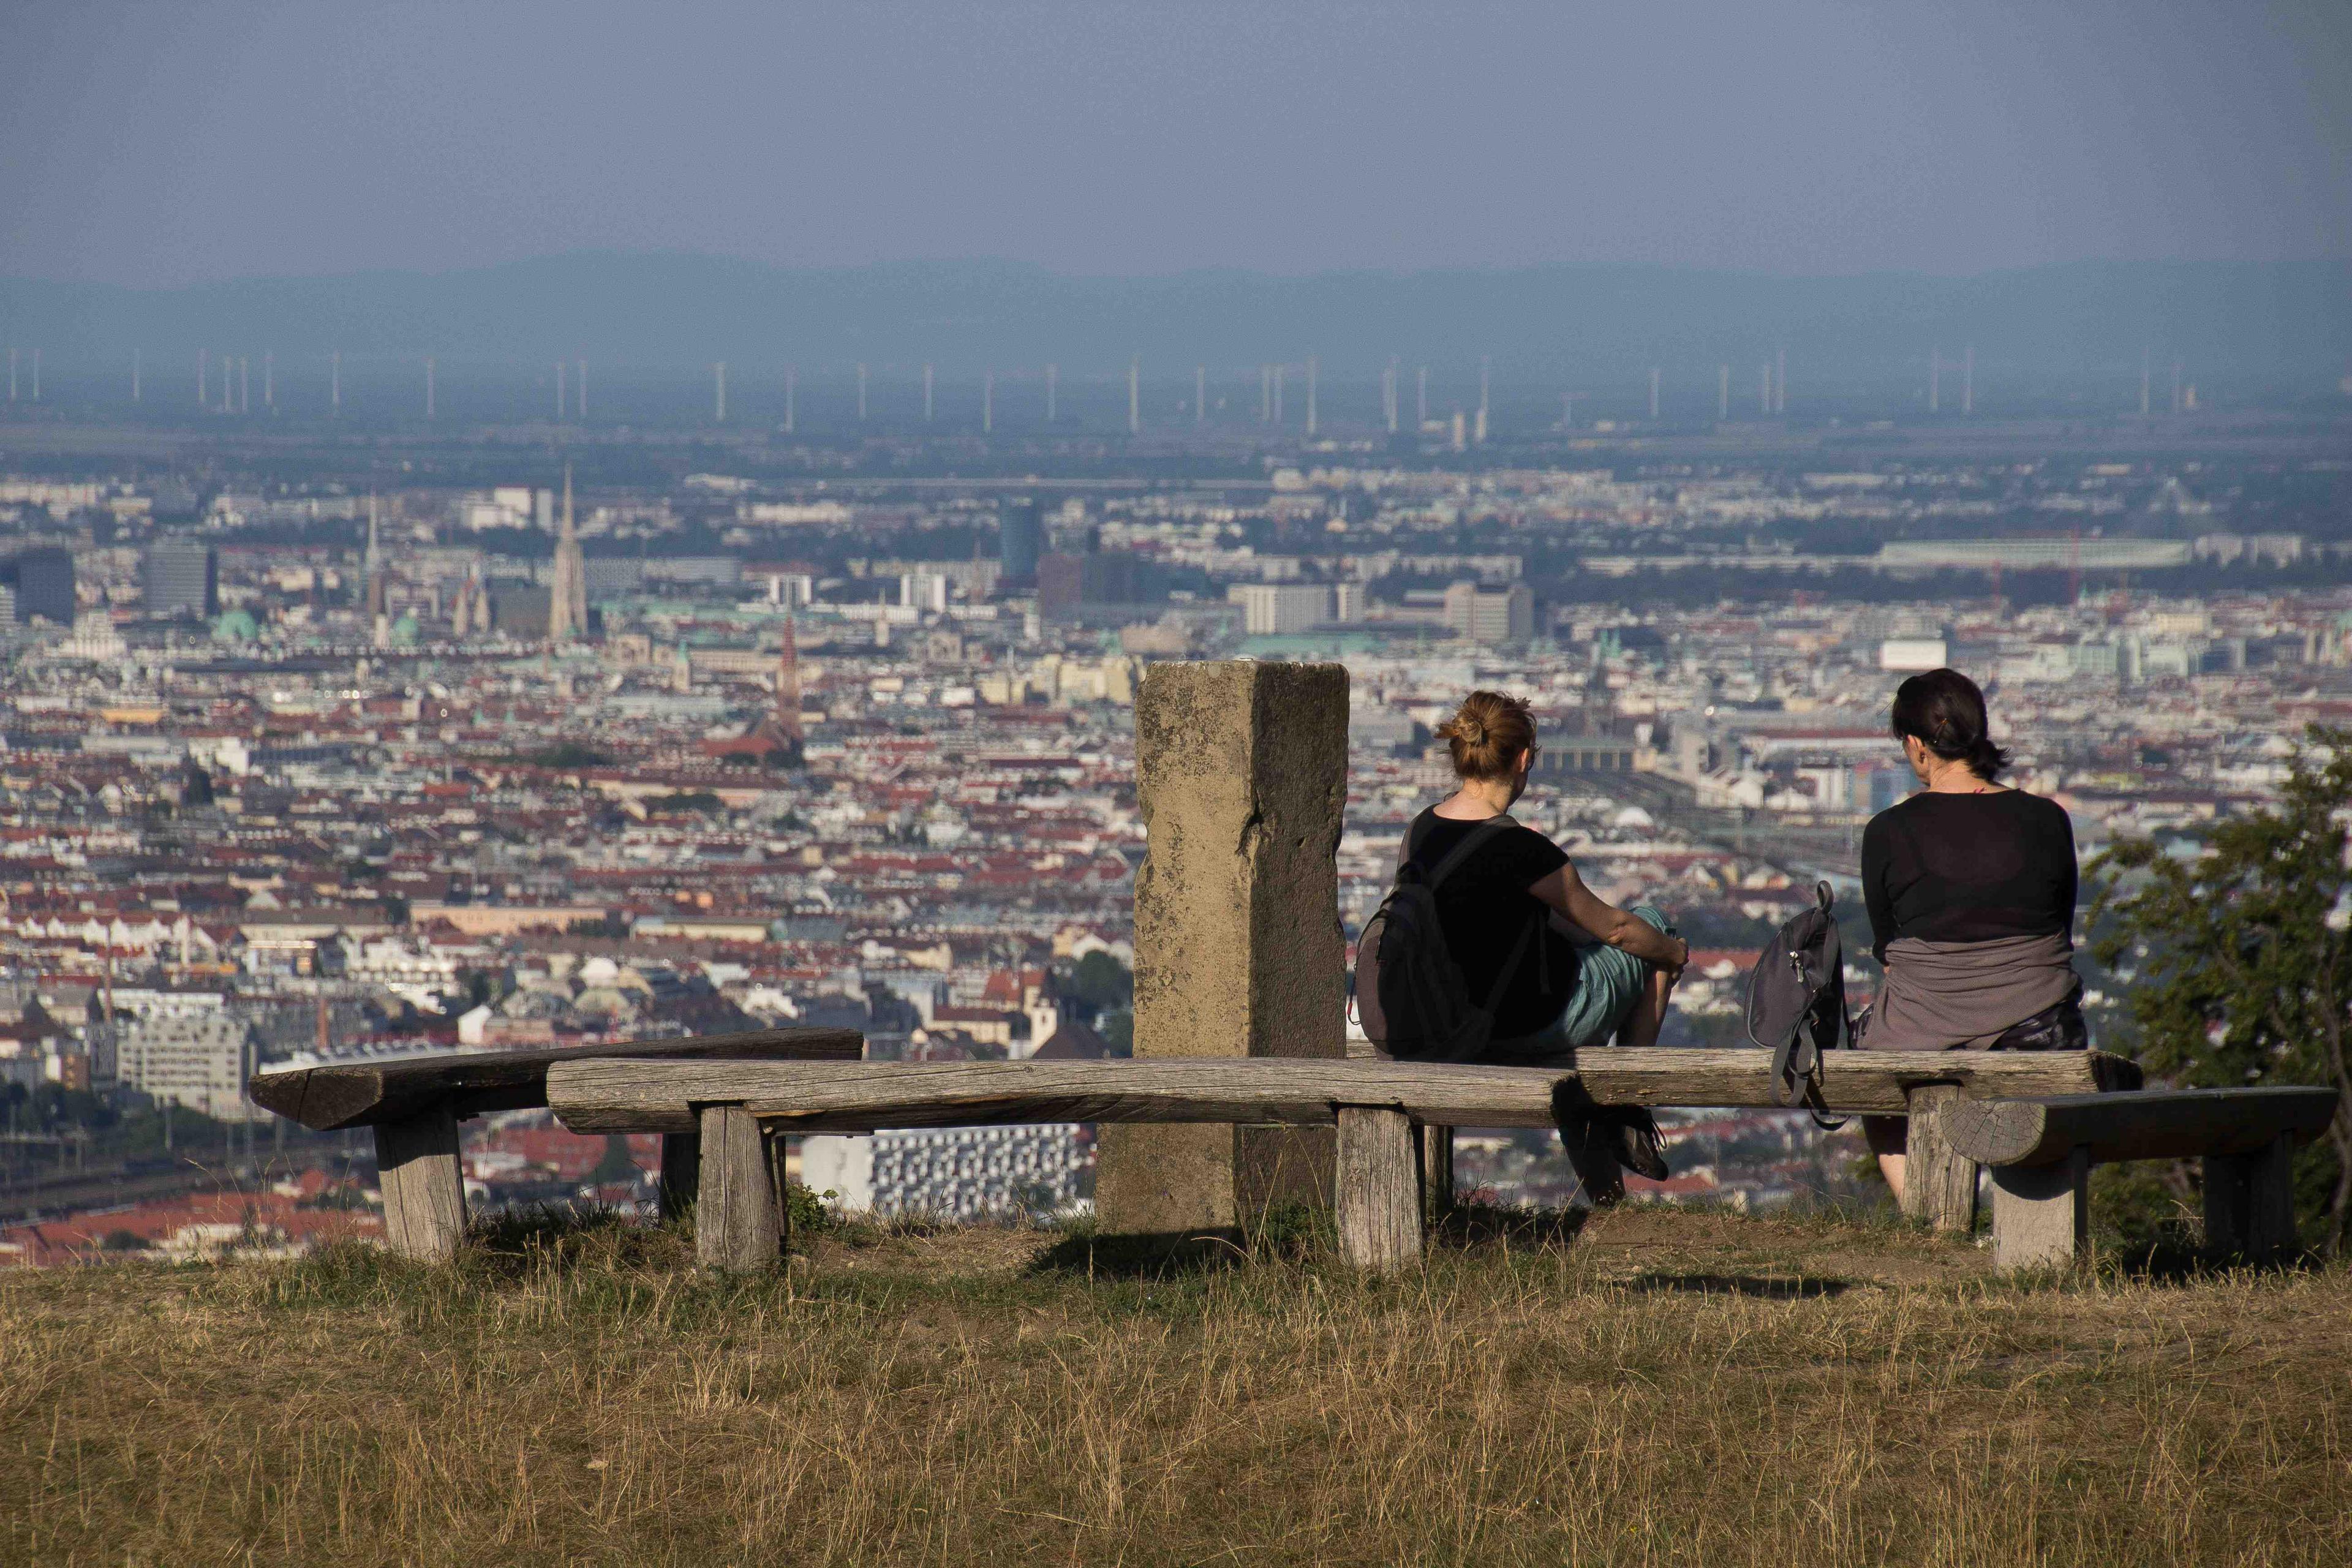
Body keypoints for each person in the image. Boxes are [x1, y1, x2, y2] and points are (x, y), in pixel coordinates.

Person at [1402, 690, 1691, 1197]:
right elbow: (1616, 930)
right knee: (1654, 927)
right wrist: (1672, 954)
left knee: (1577, 1033)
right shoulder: (1523, 849)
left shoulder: (1420, 832)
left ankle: (1607, 1197)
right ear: (1522, 759)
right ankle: (1627, 1106)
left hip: (1447, 1023)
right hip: (1530, 1024)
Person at [1857, 667, 2086, 1203]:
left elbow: (1888, 950)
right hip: (2040, 1026)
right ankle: (2033, 1219)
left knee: (1870, 1079)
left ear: (1916, 747)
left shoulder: (1888, 832)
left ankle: (1927, 1211)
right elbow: (2059, 929)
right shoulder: (2048, 819)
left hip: (1916, 1032)